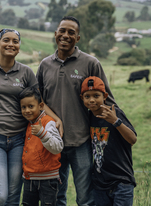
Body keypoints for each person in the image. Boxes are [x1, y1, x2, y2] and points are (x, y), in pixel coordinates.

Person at [0, 28, 63, 206]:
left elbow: (39, 101)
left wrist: (56, 119)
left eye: (15, 41)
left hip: (19, 140)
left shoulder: (26, 72)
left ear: (19, 47)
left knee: (14, 197)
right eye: (6, 40)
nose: (11, 44)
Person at [36, 16, 116, 206]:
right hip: (52, 143)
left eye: (71, 32)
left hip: (82, 141)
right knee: (56, 199)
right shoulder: (44, 65)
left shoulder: (90, 64)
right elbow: (37, 101)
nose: (65, 35)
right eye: (62, 31)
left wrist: (118, 129)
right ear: (55, 34)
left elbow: (108, 100)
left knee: (85, 199)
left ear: (78, 38)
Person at [80, 76, 137, 206]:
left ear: (105, 96)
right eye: (87, 96)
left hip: (121, 182)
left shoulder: (114, 113)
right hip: (100, 184)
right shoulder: (88, 117)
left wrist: (116, 122)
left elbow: (132, 139)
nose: (92, 100)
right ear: (81, 98)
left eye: (96, 95)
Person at [19, 86, 63, 206]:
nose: (27, 110)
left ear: (41, 106)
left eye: (31, 106)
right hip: (29, 179)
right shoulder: (30, 123)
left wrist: (42, 133)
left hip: (47, 180)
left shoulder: (48, 122)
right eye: (23, 107)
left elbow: (58, 147)